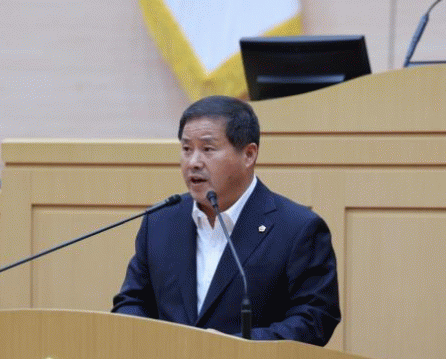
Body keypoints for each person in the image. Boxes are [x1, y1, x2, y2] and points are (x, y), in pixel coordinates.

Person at [112, 95, 340, 345]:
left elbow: (314, 319)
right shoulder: (159, 222)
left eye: (208, 149)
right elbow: (132, 302)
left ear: (249, 155)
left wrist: (233, 347)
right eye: (186, 149)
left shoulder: (298, 229)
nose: (193, 162)